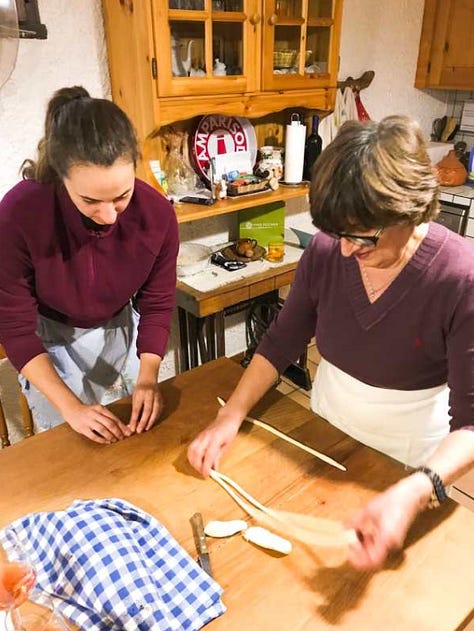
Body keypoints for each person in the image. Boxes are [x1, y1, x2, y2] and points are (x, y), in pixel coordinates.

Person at [187, 115, 474, 570]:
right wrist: (231, 414)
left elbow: (472, 426)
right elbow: (282, 339)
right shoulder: (327, 251)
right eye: (337, 233)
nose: (344, 250)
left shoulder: (461, 277)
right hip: (328, 427)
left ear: (411, 211)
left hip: (412, 457)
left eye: (362, 236)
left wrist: (416, 490)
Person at [0, 86, 179, 445]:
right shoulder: (20, 215)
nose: (109, 216)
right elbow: (16, 329)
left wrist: (148, 376)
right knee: (69, 450)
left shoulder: (157, 215)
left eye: (122, 196)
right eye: (91, 200)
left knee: (132, 440)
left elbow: (156, 305)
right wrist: (70, 407)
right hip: (49, 341)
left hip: (119, 330)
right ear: (61, 177)